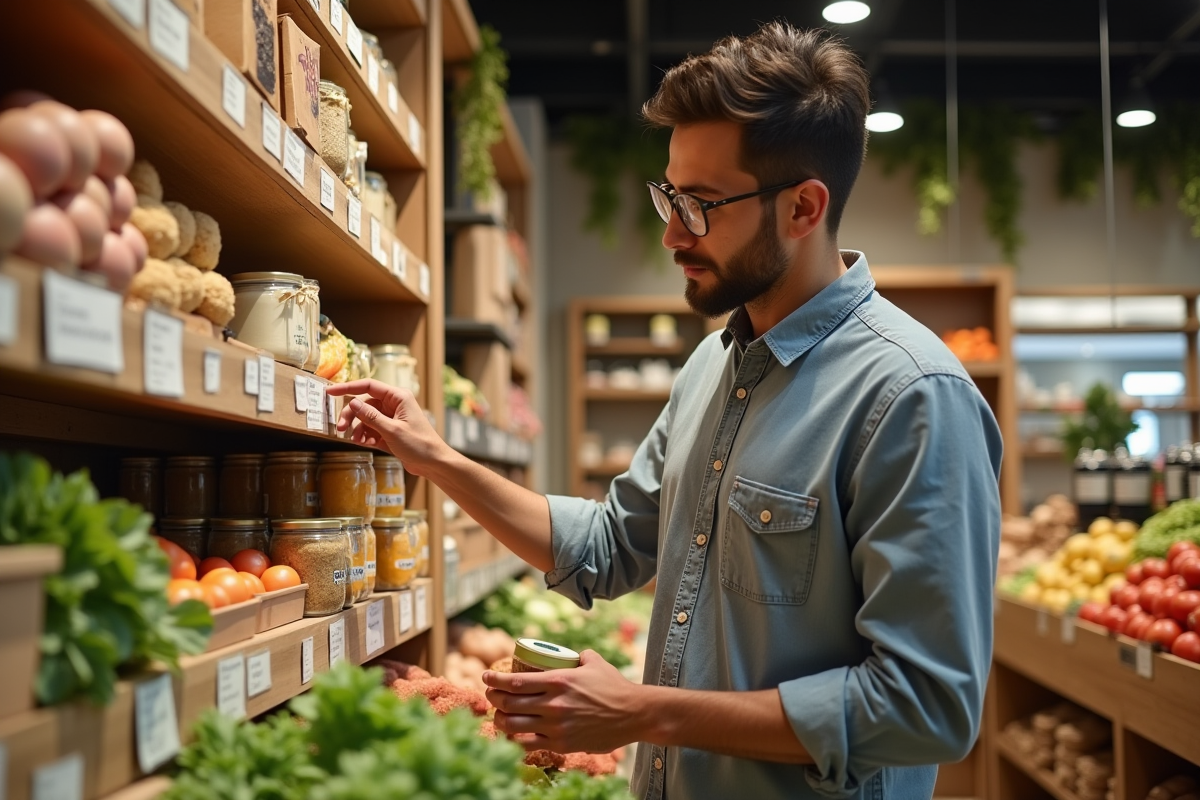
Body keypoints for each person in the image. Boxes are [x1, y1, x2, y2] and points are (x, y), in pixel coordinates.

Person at [328, 20, 1002, 800]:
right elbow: (611, 543)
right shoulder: (712, 367)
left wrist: (645, 712)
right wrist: (434, 456)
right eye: (670, 195)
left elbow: (929, 709)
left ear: (804, 209)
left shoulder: (914, 398)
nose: (674, 231)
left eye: (704, 204)